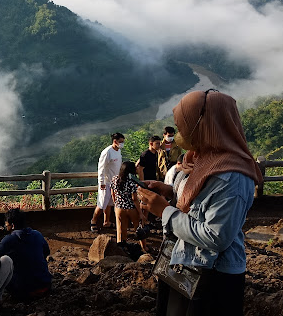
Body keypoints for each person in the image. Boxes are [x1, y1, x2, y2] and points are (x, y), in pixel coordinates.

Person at [138, 89, 263, 316]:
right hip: (184, 261)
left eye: (185, 124)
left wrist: (165, 211)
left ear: (204, 125)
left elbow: (216, 236)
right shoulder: (199, 158)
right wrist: (169, 191)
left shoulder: (232, 177)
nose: (179, 132)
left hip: (212, 275)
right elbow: (200, 201)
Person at [0, 209, 52, 299]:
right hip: (46, 286)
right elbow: (46, 252)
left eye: (6, 224)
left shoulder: (8, 240)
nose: (5, 226)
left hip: (23, 291)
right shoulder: (37, 234)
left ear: (13, 225)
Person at [92, 132, 124, 232]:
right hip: (106, 182)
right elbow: (101, 168)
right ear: (115, 141)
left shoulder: (118, 151)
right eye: (120, 142)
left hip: (114, 182)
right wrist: (101, 182)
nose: (122, 144)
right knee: (102, 204)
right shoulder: (107, 152)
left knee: (110, 203)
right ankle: (93, 221)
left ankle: (106, 222)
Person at [110, 161, 145, 249]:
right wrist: (140, 213)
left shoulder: (115, 179)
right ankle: (144, 247)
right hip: (131, 208)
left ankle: (121, 248)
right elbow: (134, 199)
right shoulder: (131, 182)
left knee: (121, 229)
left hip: (119, 208)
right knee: (138, 228)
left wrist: (116, 204)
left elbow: (113, 193)